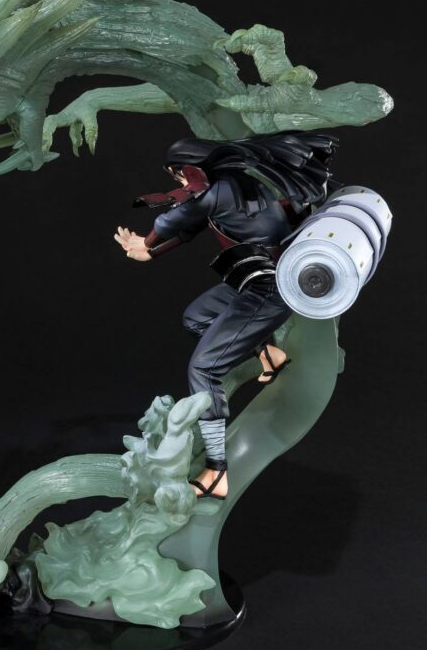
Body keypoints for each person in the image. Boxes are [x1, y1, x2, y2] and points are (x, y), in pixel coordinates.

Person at [114, 132, 339, 500]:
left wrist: (147, 241)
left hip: (270, 288)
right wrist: (151, 253)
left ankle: (217, 471)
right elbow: (189, 230)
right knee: (196, 318)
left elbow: (174, 220)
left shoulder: (217, 191)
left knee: (203, 369)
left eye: (177, 174)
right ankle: (268, 354)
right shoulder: (232, 185)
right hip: (253, 279)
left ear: (188, 168)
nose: (179, 182)